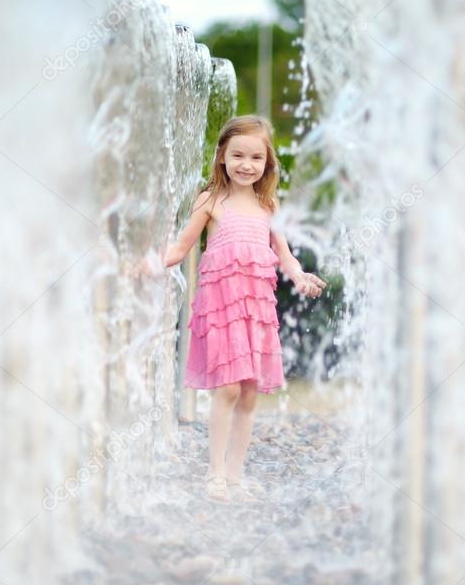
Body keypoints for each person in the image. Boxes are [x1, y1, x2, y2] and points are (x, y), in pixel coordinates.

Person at [131, 115, 327, 503]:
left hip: (256, 308)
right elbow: (180, 247)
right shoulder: (211, 200)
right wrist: (149, 262)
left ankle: (236, 477)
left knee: (251, 393)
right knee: (229, 389)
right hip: (220, 306)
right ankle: (215, 475)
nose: (246, 164)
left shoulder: (269, 204)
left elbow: (283, 256)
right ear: (222, 156)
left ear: (267, 163)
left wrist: (301, 277)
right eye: (237, 155)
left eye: (256, 157)